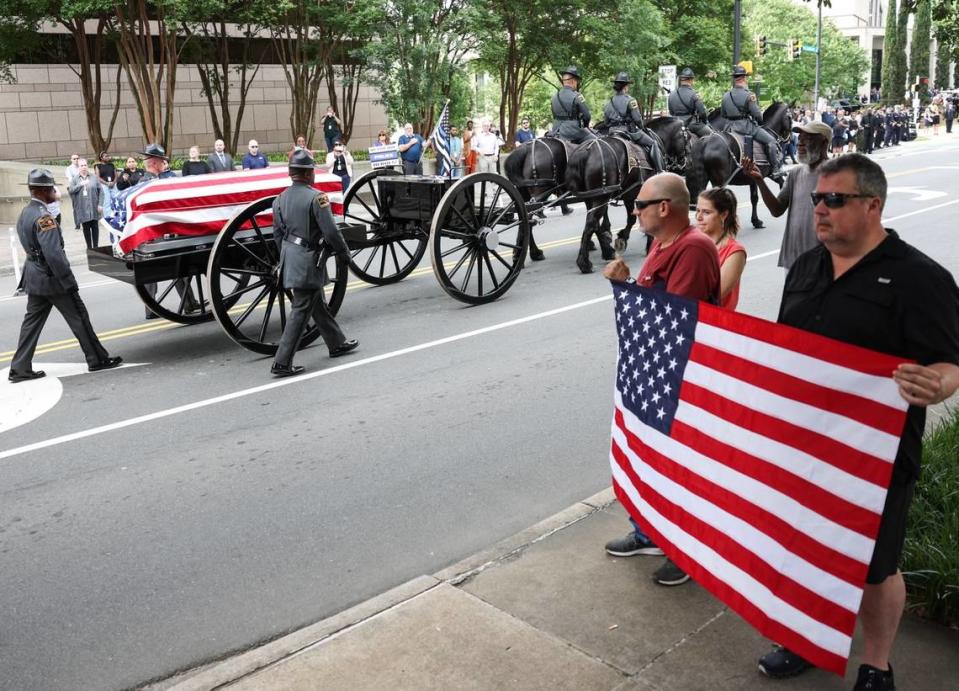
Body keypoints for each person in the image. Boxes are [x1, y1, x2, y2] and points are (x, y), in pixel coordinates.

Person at [756, 153, 959, 691]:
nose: (818, 210)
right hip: (802, 446)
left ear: (873, 205)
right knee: (800, 545)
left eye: (834, 200)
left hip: (877, 455)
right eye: (817, 199)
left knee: (874, 566)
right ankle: (803, 637)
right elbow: (787, 349)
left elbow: (947, 362)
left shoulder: (921, 278)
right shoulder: (805, 267)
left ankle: (876, 663)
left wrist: (937, 383)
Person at [602, 172, 720, 588]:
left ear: (665, 208)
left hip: (679, 377)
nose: (635, 213)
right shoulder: (660, 244)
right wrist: (628, 286)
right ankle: (649, 532)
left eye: (640, 206)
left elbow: (674, 317)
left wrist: (628, 289)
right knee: (648, 457)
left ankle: (685, 549)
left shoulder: (694, 248)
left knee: (678, 467)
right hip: (652, 371)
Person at [7, 169, 122, 383]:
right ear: (42, 191)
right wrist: (68, 281)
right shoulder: (44, 217)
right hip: (53, 279)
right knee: (79, 316)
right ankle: (97, 359)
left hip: (35, 278)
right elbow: (54, 255)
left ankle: (19, 368)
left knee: (31, 324)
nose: (54, 191)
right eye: (51, 188)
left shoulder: (25, 212)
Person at [270, 150, 359, 376]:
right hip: (308, 259)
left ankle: (336, 343)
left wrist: (287, 259)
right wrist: (344, 254)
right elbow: (331, 231)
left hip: (291, 257)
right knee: (301, 308)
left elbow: (278, 235)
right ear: (309, 174)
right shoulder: (317, 198)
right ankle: (281, 362)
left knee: (315, 302)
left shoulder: (279, 200)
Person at [742, 120, 832, 270]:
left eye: (807, 138)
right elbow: (776, 210)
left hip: (821, 262)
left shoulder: (837, 174)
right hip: (793, 261)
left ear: (823, 142)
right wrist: (759, 180)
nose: (800, 143)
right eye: (800, 138)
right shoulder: (795, 173)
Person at [139, 143, 200, 319]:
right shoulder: (148, 182)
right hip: (155, 234)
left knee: (179, 266)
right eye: (162, 161)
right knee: (153, 273)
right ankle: (151, 309)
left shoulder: (152, 180)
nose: (164, 164)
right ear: (155, 163)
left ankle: (189, 302)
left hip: (160, 232)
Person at [720, 65, 782, 178]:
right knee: (771, 141)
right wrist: (759, 122)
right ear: (744, 78)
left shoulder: (726, 96)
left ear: (735, 79)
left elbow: (723, 114)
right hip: (746, 127)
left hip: (729, 128)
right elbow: (758, 115)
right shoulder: (749, 95)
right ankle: (775, 169)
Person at [694, 187, 746, 310]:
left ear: (723, 215)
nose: (699, 217)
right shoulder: (691, 241)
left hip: (712, 322)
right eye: (697, 211)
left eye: (706, 212)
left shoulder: (735, 252)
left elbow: (714, 295)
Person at [604, 71, 664, 172]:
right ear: (626, 86)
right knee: (653, 143)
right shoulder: (630, 100)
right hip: (628, 132)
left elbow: (606, 122)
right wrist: (642, 127)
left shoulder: (608, 102)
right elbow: (637, 120)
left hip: (612, 132)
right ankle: (659, 171)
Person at [550, 66, 594, 144]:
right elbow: (587, 116)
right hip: (573, 132)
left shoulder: (554, 97)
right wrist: (585, 126)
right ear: (574, 81)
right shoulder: (577, 96)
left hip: (556, 131)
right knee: (596, 142)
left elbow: (554, 115)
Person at [667, 67, 713, 138]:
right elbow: (702, 113)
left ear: (681, 79)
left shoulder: (671, 95)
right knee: (713, 137)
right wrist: (704, 122)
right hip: (691, 124)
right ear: (691, 80)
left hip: (675, 124)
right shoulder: (694, 94)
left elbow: (671, 112)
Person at [68, 158, 101, 249]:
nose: (84, 167)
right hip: (83, 209)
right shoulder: (75, 179)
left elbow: (101, 191)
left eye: (85, 165)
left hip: (94, 207)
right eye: (81, 165)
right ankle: (89, 248)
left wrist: (100, 204)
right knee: (86, 229)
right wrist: (80, 184)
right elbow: (71, 190)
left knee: (95, 228)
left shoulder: (94, 177)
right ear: (78, 167)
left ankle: (96, 247)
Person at [93, 151, 116, 219]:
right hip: (104, 185)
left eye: (108, 156)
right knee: (106, 201)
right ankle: (108, 217)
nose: (108, 157)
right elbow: (98, 177)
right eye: (106, 156)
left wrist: (113, 182)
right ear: (101, 158)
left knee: (115, 200)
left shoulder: (111, 165)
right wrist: (107, 183)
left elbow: (116, 175)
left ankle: (115, 216)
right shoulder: (98, 166)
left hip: (113, 184)